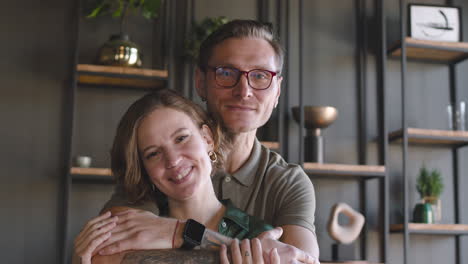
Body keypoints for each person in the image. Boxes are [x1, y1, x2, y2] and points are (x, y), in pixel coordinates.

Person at [80, 19, 319, 262]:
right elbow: (107, 254)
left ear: (277, 91)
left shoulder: (288, 182)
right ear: (201, 82)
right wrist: (191, 233)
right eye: (227, 73)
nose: (244, 90)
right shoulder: (165, 163)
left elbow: (300, 260)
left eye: (260, 76)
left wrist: (182, 234)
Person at [74, 89, 284, 263]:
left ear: (207, 139)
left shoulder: (259, 236)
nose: (172, 160)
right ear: (144, 169)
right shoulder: (133, 232)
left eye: (181, 138)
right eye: (153, 153)